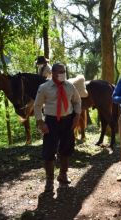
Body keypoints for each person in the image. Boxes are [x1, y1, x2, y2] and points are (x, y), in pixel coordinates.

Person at [34, 63, 81, 192]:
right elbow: (37, 106)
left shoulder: (70, 86)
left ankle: (63, 174)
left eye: (64, 71)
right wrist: (40, 122)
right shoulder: (44, 87)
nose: (62, 74)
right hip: (51, 122)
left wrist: (77, 116)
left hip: (67, 121)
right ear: (53, 73)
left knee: (66, 148)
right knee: (48, 151)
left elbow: (77, 101)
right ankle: (49, 180)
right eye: (60, 72)